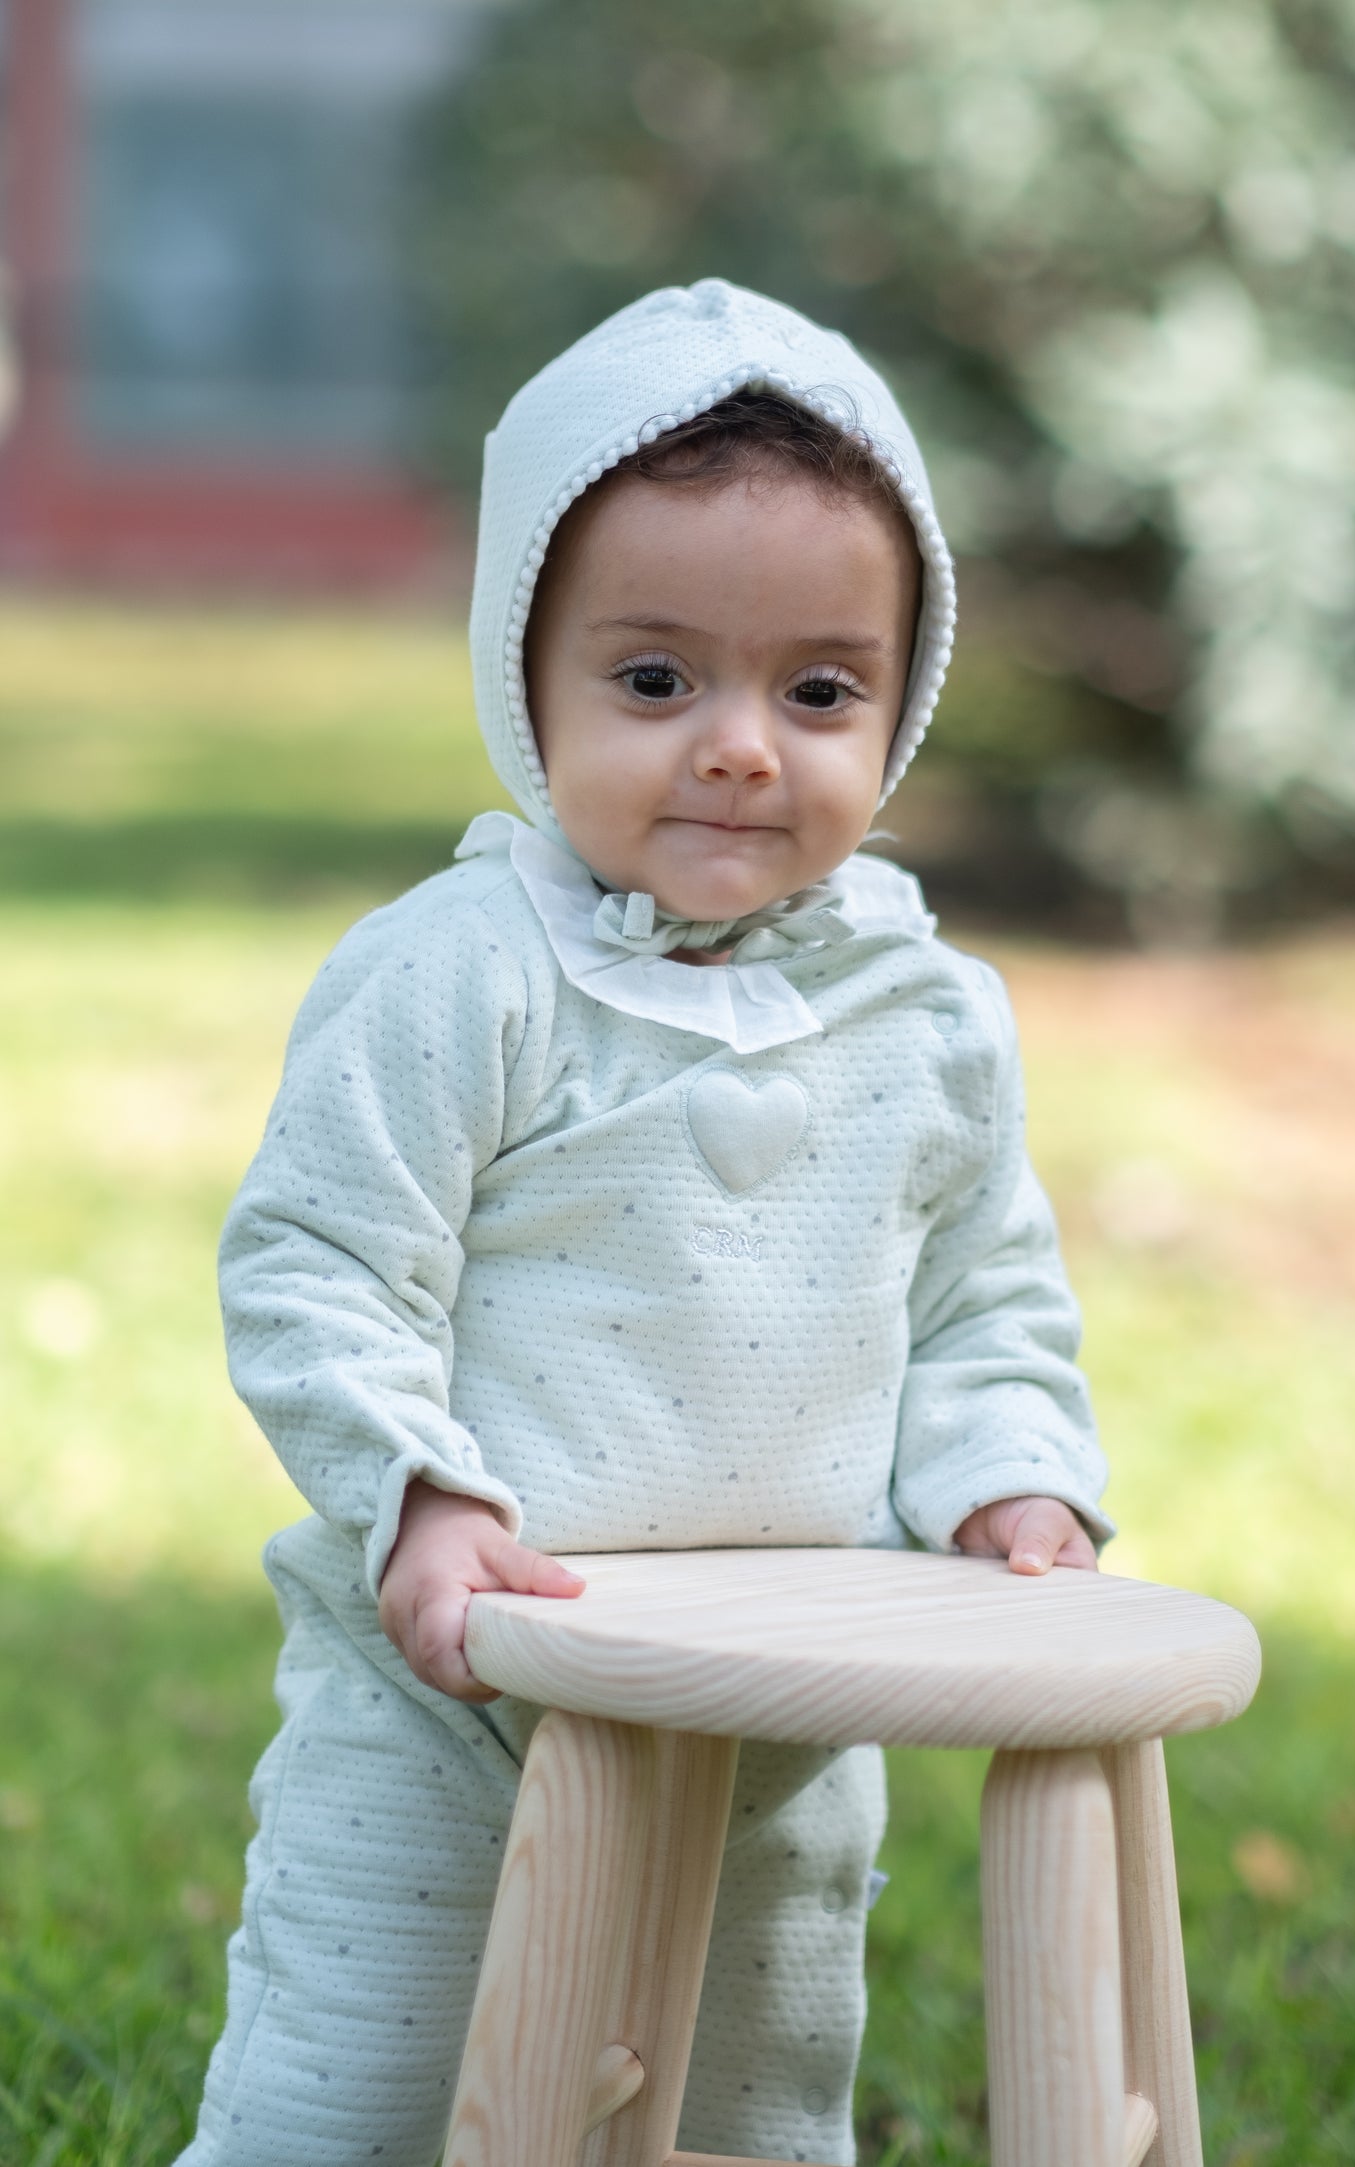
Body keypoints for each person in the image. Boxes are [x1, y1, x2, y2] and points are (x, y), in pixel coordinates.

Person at [177, 277, 1111, 2167]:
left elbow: (980, 1296)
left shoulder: (926, 1015)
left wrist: (1010, 1474)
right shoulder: (464, 975)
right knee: (356, 2086)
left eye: (821, 689)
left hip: (780, 1691)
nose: (743, 746)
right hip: (460, 1682)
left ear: (900, 704)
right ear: (524, 686)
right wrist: (418, 1495)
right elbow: (320, 1263)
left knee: (745, 2105)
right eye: (657, 679)